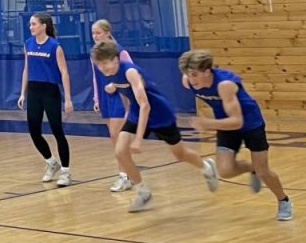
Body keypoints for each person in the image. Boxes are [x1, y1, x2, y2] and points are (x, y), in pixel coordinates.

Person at [92, 42, 218, 212]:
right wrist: (126, 114)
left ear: (115, 60)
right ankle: (143, 192)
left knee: (180, 154)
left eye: (105, 63)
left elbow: (146, 105)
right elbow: (127, 95)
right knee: (120, 152)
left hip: (159, 114)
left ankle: (206, 167)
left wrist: (138, 140)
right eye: (99, 65)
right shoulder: (109, 74)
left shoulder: (130, 72)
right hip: (137, 113)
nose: (102, 68)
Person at [179, 49, 292, 221]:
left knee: (263, 170)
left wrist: (207, 123)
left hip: (250, 123)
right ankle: (250, 168)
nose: (191, 79)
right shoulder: (188, 81)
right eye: (189, 74)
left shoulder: (225, 84)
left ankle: (283, 200)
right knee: (225, 170)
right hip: (225, 123)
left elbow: (237, 121)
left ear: (207, 71)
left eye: (195, 74)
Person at [17, 12, 75, 186]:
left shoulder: (55, 46)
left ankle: (65, 171)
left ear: (44, 26)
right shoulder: (28, 44)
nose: (31, 27)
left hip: (50, 91)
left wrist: (68, 98)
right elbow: (26, 69)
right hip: (34, 91)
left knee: (57, 131)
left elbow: (64, 72)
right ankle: (51, 162)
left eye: (34, 24)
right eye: (30, 24)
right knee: (34, 132)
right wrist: (22, 93)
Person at [91, 20, 132, 192]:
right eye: (93, 33)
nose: (95, 36)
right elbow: (94, 76)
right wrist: (96, 98)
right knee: (113, 137)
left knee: (118, 135)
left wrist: (118, 86)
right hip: (104, 95)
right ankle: (126, 174)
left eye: (98, 33)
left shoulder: (120, 52)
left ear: (108, 33)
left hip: (119, 94)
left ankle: (125, 175)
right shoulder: (94, 53)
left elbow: (132, 73)